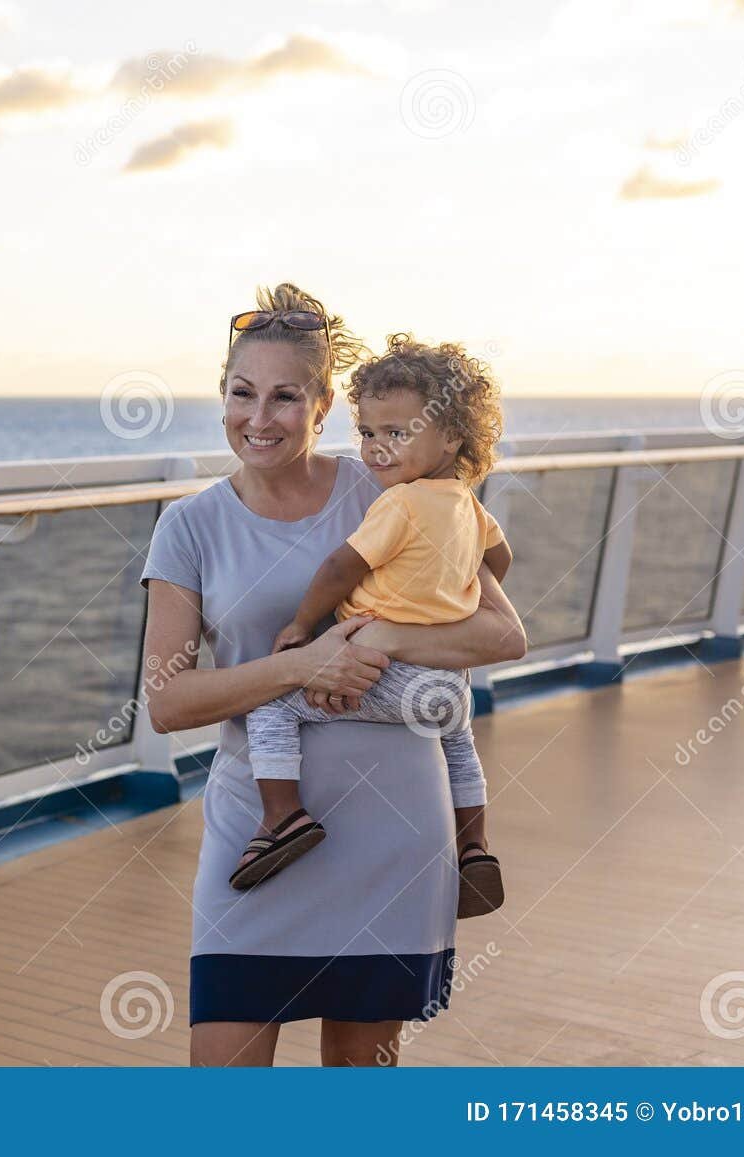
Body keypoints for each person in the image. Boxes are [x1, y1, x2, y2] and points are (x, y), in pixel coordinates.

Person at [140, 282, 527, 1066]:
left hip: (393, 835)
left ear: (323, 407)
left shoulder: (390, 490)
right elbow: (167, 702)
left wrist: (376, 638)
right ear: (222, 397)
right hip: (258, 837)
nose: (259, 416)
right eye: (242, 393)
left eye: (286, 396)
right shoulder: (189, 526)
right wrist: (300, 664)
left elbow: (501, 633)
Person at [230, 334, 509, 924]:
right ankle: (475, 847)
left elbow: (342, 567)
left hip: (386, 673)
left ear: (451, 437)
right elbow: (500, 559)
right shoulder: (467, 504)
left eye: (397, 434)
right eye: (368, 433)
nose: (377, 449)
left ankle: (282, 817)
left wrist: (302, 625)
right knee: (460, 747)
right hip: (447, 684)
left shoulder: (400, 504)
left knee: (271, 706)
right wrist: (453, 589)